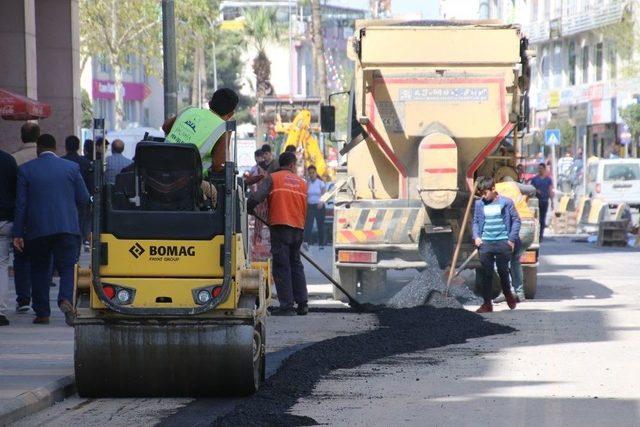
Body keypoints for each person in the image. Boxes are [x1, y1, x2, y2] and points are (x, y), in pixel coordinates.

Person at [13, 134, 91, 325]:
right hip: (67, 227)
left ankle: (42, 313)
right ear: (56, 148)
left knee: (39, 269)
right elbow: (83, 198)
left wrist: (18, 233)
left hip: (37, 229)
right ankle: (65, 299)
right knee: (67, 268)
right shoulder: (71, 168)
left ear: (38, 148)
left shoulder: (26, 170)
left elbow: (21, 205)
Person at [248, 151, 308, 316]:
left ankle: (287, 306)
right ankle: (302, 303)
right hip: (298, 228)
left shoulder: (273, 178)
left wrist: (249, 206)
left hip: (281, 227)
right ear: (291, 165)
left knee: (282, 266)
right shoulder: (302, 183)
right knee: (296, 264)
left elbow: (257, 197)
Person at [472, 177, 521, 313]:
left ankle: (508, 295)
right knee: (486, 275)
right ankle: (487, 304)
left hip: (502, 243)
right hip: (485, 244)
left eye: (484, 193)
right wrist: (476, 237)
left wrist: (511, 239)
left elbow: (516, 220)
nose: (483, 196)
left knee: (503, 272)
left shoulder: (506, 202)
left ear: (493, 189)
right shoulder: (479, 204)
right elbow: (475, 221)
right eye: (481, 193)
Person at [164, 88, 238, 173]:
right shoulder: (222, 129)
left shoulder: (189, 110)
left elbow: (165, 127)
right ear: (231, 114)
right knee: (212, 187)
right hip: (189, 180)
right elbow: (218, 166)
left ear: (209, 104)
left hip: (159, 170)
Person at [11, 122, 40, 312]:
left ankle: (23, 298)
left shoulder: (13, 159)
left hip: (19, 215)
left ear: (21, 137)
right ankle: (39, 298)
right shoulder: (46, 158)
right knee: (42, 259)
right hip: (42, 217)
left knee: (20, 258)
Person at [493, 177, 536, 303]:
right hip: (529, 228)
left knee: (499, 261)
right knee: (515, 260)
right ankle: (519, 293)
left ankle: (508, 291)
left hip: (517, 228)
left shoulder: (495, 188)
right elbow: (532, 189)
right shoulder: (514, 186)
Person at [63, 135, 92, 248]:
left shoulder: (61, 161)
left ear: (65, 146)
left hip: (65, 199)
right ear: (78, 146)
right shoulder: (85, 163)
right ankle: (78, 245)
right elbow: (90, 183)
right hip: (81, 199)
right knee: (80, 223)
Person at [0, 148, 18, 326]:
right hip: (4, 219)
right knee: (2, 265)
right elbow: (16, 191)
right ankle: (1, 311)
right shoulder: (8, 160)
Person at [529, 163, 554, 241]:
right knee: (536, 219)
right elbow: (531, 189)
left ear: (544, 169)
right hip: (536, 202)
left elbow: (550, 190)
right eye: (539, 168)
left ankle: (540, 236)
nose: (540, 170)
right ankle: (535, 235)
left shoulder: (548, 179)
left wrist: (552, 201)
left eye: (541, 168)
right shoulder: (534, 179)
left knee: (542, 219)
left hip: (544, 201)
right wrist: (536, 190)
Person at [304, 165, 326, 248]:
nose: (311, 174)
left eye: (313, 172)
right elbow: (305, 194)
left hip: (319, 206)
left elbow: (324, 193)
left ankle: (321, 243)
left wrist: (321, 202)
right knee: (308, 224)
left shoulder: (320, 183)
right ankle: (306, 242)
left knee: (320, 225)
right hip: (310, 206)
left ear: (316, 173)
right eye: (310, 173)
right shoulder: (308, 184)